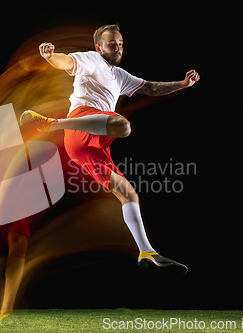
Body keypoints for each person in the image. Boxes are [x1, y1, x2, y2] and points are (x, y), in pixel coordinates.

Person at [20, 24, 200, 276]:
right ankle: (50, 124)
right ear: (99, 47)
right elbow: (66, 63)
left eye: (120, 43)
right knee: (123, 125)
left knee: (129, 194)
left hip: (91, 145)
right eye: (112, 43)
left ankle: (146, 251)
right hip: (82, 125)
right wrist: (51, 57)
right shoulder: (91, 60)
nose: (117, 47)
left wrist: (182, 84)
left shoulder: (120, 76)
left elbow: (149, 87)